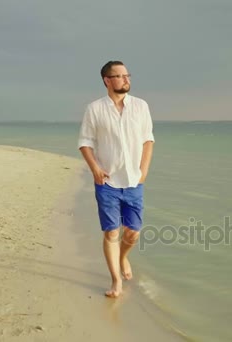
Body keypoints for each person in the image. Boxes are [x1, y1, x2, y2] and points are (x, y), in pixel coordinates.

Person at [78, 60, 155, 298]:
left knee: (132, 233)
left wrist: (144, 171)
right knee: (111, 233)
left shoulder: (141, 106)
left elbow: (148, 140)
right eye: (120, 76)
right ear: (107, 81)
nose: (126, 79)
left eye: (127, 75)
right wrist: (95, 170)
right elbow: (85, 142)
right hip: (107, 182)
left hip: (134, 180)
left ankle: (123, 257)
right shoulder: (95, 109)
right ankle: (116, 281)